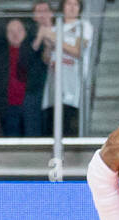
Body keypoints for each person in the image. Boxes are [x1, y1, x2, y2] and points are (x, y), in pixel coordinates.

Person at [40, 0, 92, 136]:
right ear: (63, 6)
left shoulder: (83, 26)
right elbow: (46, 58)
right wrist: (47, 44)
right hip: (53, 88)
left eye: (76, 4)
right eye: (69, 4)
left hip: (72, 89)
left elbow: (78, 51)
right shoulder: (56, 27)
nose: (72, 8)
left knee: (68, 131)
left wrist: (55, 39)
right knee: (50, 132)